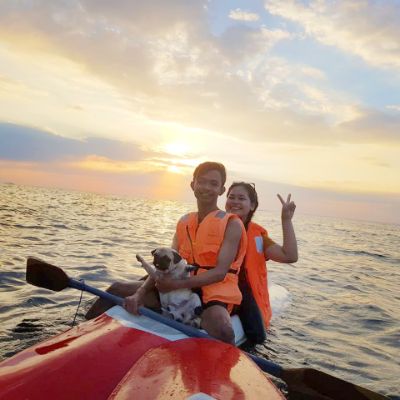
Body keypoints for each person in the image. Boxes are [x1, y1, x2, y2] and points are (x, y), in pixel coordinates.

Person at [86, 162, 247, 345]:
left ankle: (225, 361)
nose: (206, 187)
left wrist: (175, 284)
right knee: (116, 288)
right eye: (201, 182)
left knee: (224, 330)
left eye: (213, 183)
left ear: (221, 190)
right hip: (177, 288)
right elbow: (164, 268)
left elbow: (219, 273)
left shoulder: (232, 224)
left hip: (213, 291)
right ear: (193, 185)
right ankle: (81, 334)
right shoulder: (184, 222)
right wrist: (139, 293)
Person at [225, 182, 298, 343]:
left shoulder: (258, 237)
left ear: (252, 205)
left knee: (258, 339)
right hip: (217, 288)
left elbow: (289, 256)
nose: (235, 201)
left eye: (241, 198)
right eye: (231, 197)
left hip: (244, 296)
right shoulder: (215, 226)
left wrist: (286, 220)